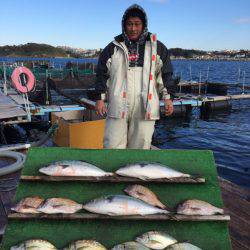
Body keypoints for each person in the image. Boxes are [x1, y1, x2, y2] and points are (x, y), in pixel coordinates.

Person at [94, 4, 176, 149]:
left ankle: (137, 171)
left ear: (144, 25)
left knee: (141, 145)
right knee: (113, 145)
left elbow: (165, 75)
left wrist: (168, 98)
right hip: (118, 102)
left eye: (137, 24)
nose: (133, 28)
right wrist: (100, 99)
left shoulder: (157, 47)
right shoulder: (113, 48)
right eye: (129, 24)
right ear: (124, 26)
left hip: (145, 104)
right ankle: (113, 171)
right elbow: (102, 74)